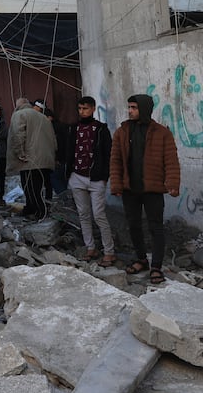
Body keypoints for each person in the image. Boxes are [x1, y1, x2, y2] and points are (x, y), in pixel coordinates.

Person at [110, 94, 180, 285]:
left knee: (156, 226)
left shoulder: (162, 133)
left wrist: (172, 183)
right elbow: (115, 160)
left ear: (144, 108)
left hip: (153, 189)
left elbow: (171, 160)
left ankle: (156, 266)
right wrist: (116, 184)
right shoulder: (122, 132)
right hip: (130, 189)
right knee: (133, 225)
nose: (130, 110)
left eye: (133, 107)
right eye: (129, 107)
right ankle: (141, 259)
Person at [65, 96, 115, 266]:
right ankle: (90, 248)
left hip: (96, 178)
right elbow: (68, 151)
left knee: (99, 214)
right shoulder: (73, 128)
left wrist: (106, 175)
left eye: (85, 108)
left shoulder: (101, 129)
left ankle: (109, 251)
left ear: (93, 108)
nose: (82, 112)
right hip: (77, 176)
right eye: (79, 109)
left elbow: (109, 154)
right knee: (83, 214)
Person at [6, 97, 56, 220]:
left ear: (18, 106)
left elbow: (18, 135)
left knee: (30, 187)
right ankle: (31, 209)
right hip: (45, 159)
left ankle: (40, 212)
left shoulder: (20, 114)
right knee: (38, 187)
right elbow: (54, 141)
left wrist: (20, 153)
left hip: (29, 160)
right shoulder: (44, 118)